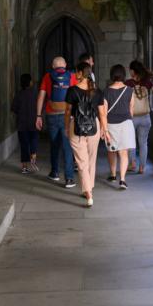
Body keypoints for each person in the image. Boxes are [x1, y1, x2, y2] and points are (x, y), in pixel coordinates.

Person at [64, 62, 108, 207]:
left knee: (81, 161)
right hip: (93, 127)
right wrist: (105, 130)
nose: (75, 74)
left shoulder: (72, 91)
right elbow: (102, 113)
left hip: (76, 126)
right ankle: (89, 188)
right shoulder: (97, 91)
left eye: (76, 72)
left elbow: (68, 112)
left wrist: (66, 127)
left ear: (80, 73)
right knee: (91, 159)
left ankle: (88, 192)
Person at [36, 56, 77, 187]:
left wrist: (38, 115)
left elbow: (41, 96)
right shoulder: (72, 76)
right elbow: (77, 96)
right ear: (65, 65)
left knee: (54, 144)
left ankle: (54, 173)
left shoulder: (48, 76)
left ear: (53, 66)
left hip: (51, 114)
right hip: (67, 115)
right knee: (67, 147)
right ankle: (69, 178)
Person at [126, 61, 153, 174]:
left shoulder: (128, 83)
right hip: (145, 117)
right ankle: (142, 168)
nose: (129, 71)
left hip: (132, 117)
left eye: (130, 69)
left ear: (133, 71)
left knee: (131, 142)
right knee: (143, 143)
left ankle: (132, 164)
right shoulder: (147, 82)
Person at [104, 64, 136, 189]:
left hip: (111, 124)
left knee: (112, 151)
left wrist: (104, 127)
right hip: (126, 124)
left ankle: (112, 175)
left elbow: (104, 111)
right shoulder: (129, 90)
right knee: (123, 153)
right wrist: (127, 119)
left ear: (112, 75)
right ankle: (122, 180)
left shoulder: (106, 91)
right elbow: (131, 109)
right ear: (123, 75)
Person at [11, 73, 39, 174]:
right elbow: (40, 106)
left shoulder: (19, 94)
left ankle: (24, 167)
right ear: (30, 82)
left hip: (22, 124)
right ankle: (33, 159)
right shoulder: (35, 93)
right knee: (34, 141)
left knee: (24, 144)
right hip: (33, 123)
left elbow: (14, 108)